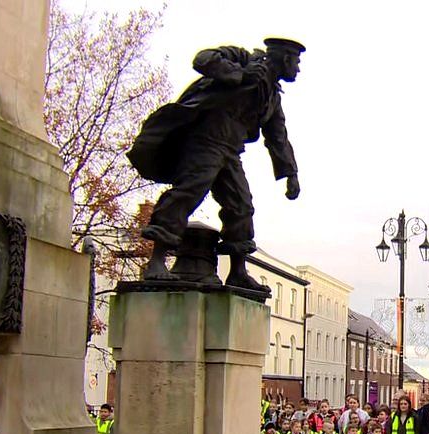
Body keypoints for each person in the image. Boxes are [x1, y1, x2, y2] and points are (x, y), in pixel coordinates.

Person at [128, 38, 305, 286]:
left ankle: (237, 271)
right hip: (205, 140)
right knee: (188, 192)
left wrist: (291, 174)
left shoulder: (272, 97)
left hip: (231, 150)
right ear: (285, 59)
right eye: (296, 63)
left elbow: (278, 136)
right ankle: (156, 260)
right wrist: (240, 74)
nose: (298, 69)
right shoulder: (243, 59)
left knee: (241, 206)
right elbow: (203, 59)